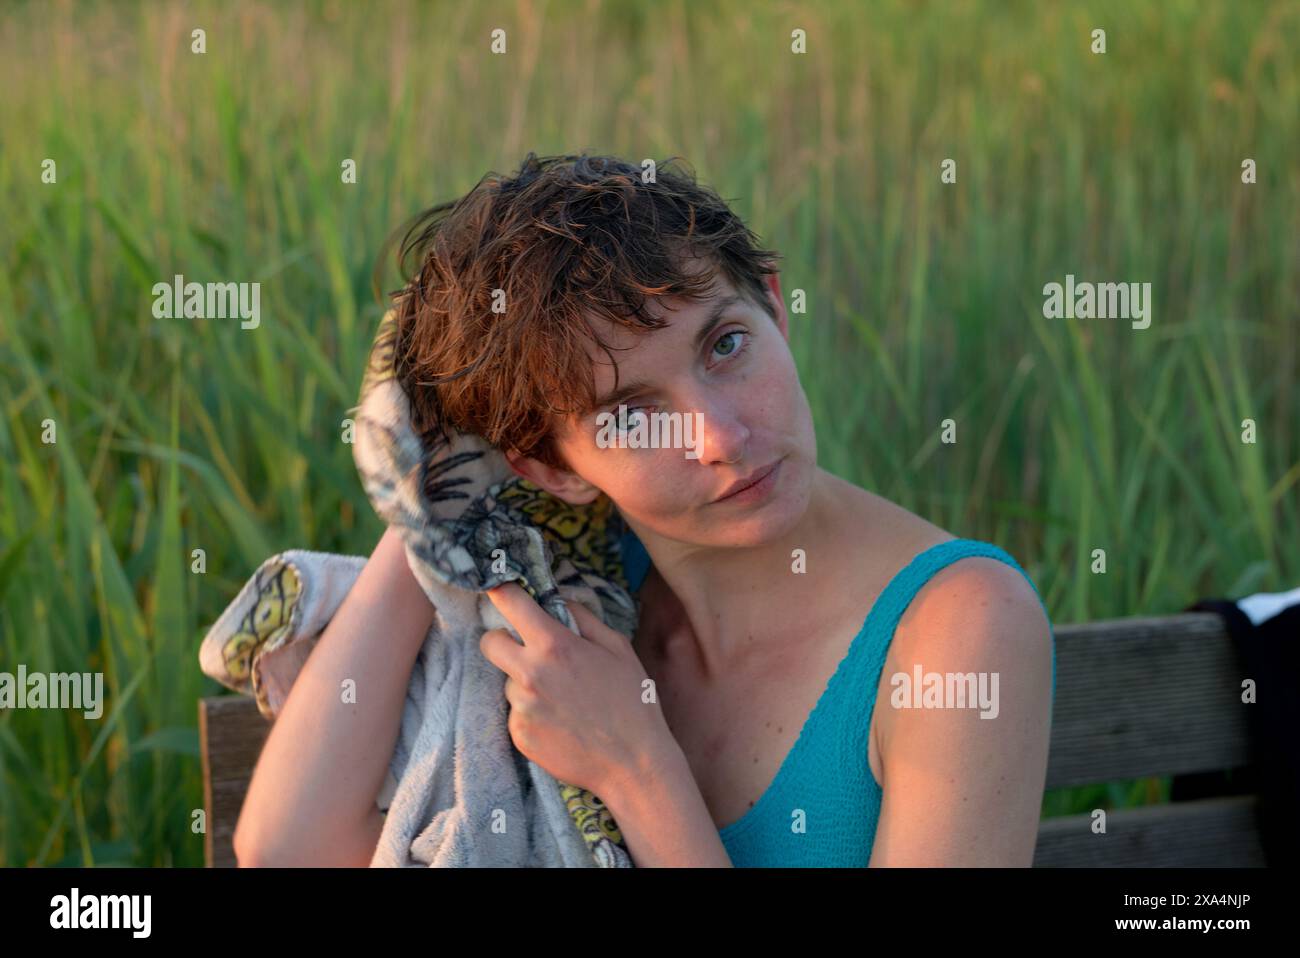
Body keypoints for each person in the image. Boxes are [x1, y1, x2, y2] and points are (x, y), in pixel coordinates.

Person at [233, 152, 1055, 868]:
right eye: (631, 415)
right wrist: (431, 492)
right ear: (545, 466)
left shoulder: (959, 629)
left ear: (773, 305)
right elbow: (290, 850)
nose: (722, 438)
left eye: (725, 344)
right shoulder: (572, 588)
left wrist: (635, 767)